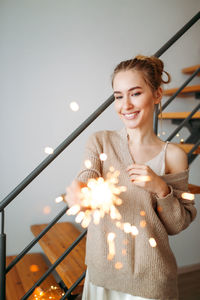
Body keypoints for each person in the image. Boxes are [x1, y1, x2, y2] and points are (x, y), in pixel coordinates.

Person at [66, 55, 197, 300]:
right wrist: (81, 191)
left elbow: (178, 224)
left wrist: (160, 188)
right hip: (102, 277)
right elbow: (88, 175)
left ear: (157, 95)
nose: (125, 105)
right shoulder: (100, 141)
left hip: (151, 283)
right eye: (118, 96)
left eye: (135, 93)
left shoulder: (173, 155)